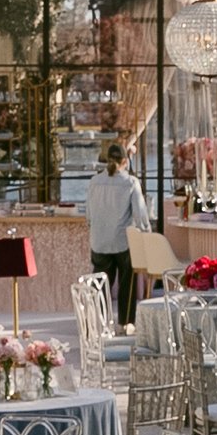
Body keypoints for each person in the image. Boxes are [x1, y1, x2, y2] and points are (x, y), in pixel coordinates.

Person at [85, 137, 150, 329]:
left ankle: (97, 325)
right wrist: (147, 235)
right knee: (126, 284)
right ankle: (125, 324)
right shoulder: (130, 182)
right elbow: (140, 215)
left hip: (99, 241)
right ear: (125, 161)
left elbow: (88, 214)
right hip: (123, 242)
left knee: (99, 285)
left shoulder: (94, 181)